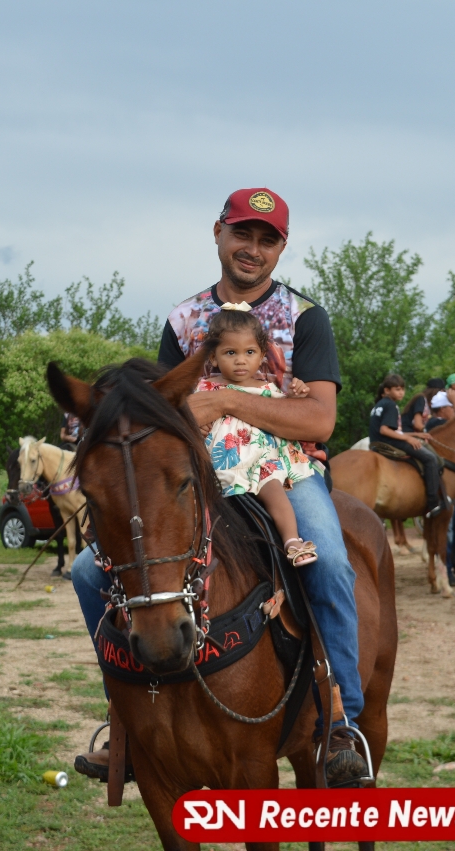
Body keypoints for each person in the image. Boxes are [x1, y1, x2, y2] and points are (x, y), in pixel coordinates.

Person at [72, 187, 369, 786]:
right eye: (242, 234)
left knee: (332, 563)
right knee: (85, 571)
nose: (252, 248)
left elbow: (320, 420)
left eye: (267, 240)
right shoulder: (183, 319)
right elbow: (158, 416)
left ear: (281, 248)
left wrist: (227, 400)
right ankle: (124, 715)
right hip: (203, 474)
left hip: (285, 469)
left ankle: (340, 720)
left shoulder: (305, 317)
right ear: (218, 233)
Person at [199, 305, 320, 564]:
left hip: (260, 463)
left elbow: (282, 414)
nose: (241, 360)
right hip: (216, 466)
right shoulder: (204, 389)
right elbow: (192, 416)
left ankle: (292, 541)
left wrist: (295, 397)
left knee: (275, 492)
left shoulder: (267, 388)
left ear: (262, 355)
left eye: (250, 352)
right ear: (213, 357)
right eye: (230, 352)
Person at [369, 374, 446, 519]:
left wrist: (416, 435)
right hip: (389, 443)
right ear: (386, 390)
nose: (401, 393)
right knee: (430, 458)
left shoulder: (380, 404)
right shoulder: (391, 405)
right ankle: (433, 503)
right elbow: (385, 430)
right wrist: (408, 439)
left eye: (402, 389)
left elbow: (394, 430)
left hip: (376, 442)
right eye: (397, 389)